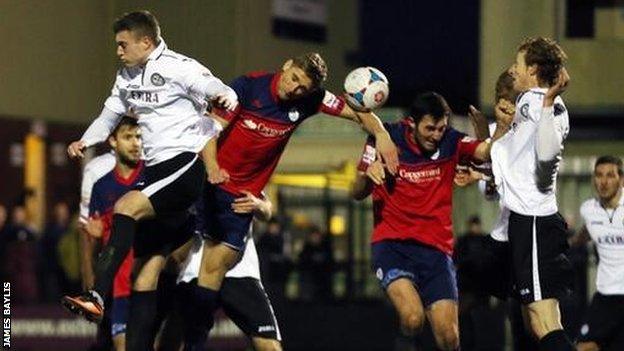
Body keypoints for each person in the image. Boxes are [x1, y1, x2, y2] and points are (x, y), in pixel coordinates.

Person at [189, 52, 400, 339]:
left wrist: (382, 134)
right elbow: (209, 130)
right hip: (206, 184)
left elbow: (360, 115)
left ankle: (194, 340)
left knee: (209, 278)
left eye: (303, 87)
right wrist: (213, 167)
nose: (294, 89)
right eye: (294, 79)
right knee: (176, 268)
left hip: (240, 200)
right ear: (287, 65)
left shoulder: (311, 100)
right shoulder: (249, 87)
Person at [62, 10, 236, 350]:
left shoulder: (178, 66)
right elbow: (108, 116)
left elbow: (216, 87)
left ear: (146, 41)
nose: (118, 51)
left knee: (126, 206)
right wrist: (85, 140)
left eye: (122, 44)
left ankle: (95, 295)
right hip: (156, 171)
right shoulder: (126, 75)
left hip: (183, 165)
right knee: (145, 272)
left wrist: (223, 95)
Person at [352, 91, 511, 350]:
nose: (436, 135)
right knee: (413, 318)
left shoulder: (451, 141)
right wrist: (367, 175)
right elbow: (357, 193)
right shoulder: (385, 139)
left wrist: (500, 126)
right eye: (429, 128)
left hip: (436, 251)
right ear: (412, 123)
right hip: (392, 246)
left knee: (449, 338)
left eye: (441, 128)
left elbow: (490, 153)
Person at [491, 37, 573, 350]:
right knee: (533, 322)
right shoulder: (533, 102)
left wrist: (550, 100)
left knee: (543, 322)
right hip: (526, 220)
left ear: (534, 70)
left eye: (519, 64)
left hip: (534, 221)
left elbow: (547, 157)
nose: (515, 69)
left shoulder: (542, 103)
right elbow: (516, 155)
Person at [165, 191, 282, 351]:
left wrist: (258, 205)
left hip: (239, 271)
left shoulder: (239, 173)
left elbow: (267, 210)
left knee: (268, 343)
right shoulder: (191, 171)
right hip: (195, 270)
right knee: (177, 340)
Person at [83, 116, 143, 351]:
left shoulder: (151, 177)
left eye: (139, 137)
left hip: (149, 282)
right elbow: (95, 242)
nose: (136, 143)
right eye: (128, 137)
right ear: (113, 141)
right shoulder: (101, 187)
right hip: (119, 287)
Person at [571, 156, 624, 351]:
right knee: (584, 346)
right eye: (599, 175)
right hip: (605, 297)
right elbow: (586, 232)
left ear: (621, 180)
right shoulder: (588, 210)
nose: (604, 181)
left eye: (610, 175)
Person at [79, 152, 116, 351]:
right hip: (110, 267)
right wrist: (88, 275)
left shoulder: (156, 157)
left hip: (145, 264)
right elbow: (86, 228)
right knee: (109, 331)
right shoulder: (98, 169)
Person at [298, 226, 334, 301]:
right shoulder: (307, 248)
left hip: (322, 281)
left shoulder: (325, 247)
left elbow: (329, 262)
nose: (315, 238)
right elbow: (303, 261)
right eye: (313, 236)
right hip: (310, 282)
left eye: (317, 236)